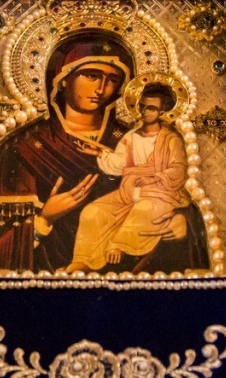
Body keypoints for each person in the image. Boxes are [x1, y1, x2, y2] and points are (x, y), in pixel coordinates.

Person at [0, 34, 132, 272]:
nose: (101, 89)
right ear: (63, 79)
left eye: (112, 80)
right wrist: (45, 219)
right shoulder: (27, 147)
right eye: (91, 76)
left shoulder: (134, 141)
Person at [65, 83, 190, 273]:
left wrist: (154, 178)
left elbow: (178, 169)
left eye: (151, 108)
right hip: (127, 193)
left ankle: (118, 246)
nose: (145, 112)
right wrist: (98, 153)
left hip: (160, 194)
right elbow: (118, 164)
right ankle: (83, 260)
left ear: (162, 112)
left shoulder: (170, 139)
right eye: (143, 106)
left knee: (143, 209)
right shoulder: (131, 136)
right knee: (93, 211)